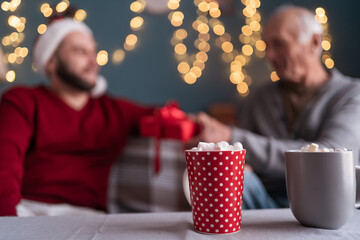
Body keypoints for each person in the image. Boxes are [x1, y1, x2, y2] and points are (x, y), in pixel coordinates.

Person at [189, 5, 360, 209]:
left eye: (279, 44)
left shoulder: (352, 95)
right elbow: (245, 162)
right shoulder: (258, 98)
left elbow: (329, 157)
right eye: (266, 46)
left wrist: (230, 137)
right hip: (263, 201)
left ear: (315, 43)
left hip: (321, 205)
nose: (268, 55)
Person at [0, 16, 154, 216]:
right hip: (28, 210)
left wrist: (204, 126)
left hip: (89, 219)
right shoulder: (22, 101)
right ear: (51, 62)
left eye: (94, 52)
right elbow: (4, 168)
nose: (93, 61)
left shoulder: (114, 111)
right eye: (80, 51)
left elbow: (168, 117)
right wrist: (9, 225)